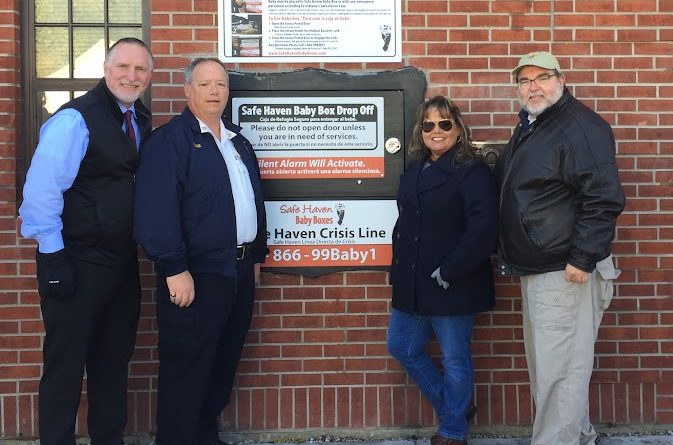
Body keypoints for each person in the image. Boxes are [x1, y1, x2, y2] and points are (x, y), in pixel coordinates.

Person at [19, 37, 153, 445]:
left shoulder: (138, 119)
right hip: (75, 260)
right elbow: (42, 192)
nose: (131, 76)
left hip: (120, 263)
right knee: (65, 366)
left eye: (141, 70)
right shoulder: (75, 119)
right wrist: (54, 257)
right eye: (123, 67)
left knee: (112, 365)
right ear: (106, 69)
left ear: (149, 75)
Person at [134, 58, 268, 445]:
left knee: (222, 363)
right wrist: (174, 267)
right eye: (205, 84)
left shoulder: (237, 141)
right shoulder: (169, 142)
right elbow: (156, 211)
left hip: (238, 270)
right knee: (188, 366)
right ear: (187, 90)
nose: (214, 91)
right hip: (194, 274)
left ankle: (204, 436)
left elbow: (251, 200)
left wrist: (254, 255)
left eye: (221, 85)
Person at [495, 51, 625, 445]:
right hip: (544, 266)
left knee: (559, 370)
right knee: (557, 365)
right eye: (524, 80)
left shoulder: (578, 127)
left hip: (566, 269)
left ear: (561, 79)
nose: (533, 87)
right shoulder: (535, 124)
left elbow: (602, 198)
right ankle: (578, 435)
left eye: (542, 77)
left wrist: (582, 258)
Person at [387, 96, 499, 445]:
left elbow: (484, 230)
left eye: (445, 123)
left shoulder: (472, 170)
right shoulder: (417, 167)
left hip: (451, 280)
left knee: (455, 358)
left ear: (458, 128)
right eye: (428, 125)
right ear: (420, 132)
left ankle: (452, 431)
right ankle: (456, 407)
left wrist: (450, 270)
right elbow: (406, 221)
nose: (437, 131)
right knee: (401, 346)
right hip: (414, 281)